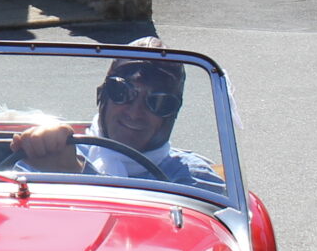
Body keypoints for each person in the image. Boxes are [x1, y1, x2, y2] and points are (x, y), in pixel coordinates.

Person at [14, 56, 222, 186]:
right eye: (121, 92)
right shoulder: (56, 153)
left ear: (171, 115)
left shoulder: (190, 177)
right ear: (102, 96)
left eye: (158, 102)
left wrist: (75, 173)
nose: (135, 113)